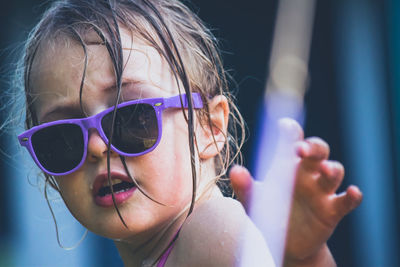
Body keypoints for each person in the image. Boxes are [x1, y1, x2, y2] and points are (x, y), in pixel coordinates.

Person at [14, 0, 362, 266]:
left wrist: (303, 258)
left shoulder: (210, 230)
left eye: (133, 118)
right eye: (61, 140)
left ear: (210, 128)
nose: (95, 147)